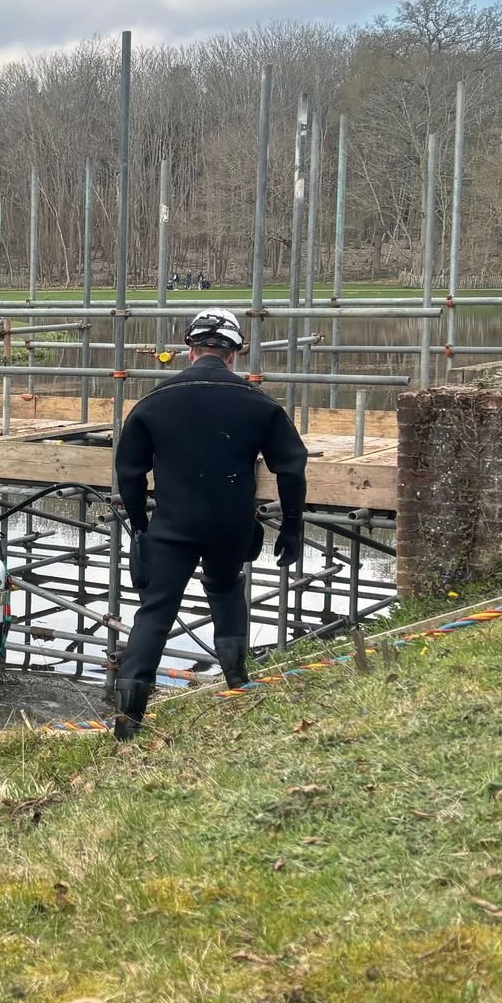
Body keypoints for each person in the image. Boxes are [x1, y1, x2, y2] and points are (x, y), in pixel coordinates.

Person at [108, 308, 308, 739]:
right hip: (230, 524)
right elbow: (291, 467)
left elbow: (129, 473)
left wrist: (140, 529)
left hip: (173, 525)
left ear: (189, 350)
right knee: (225, 588)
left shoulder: (154, 403)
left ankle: (128, 724)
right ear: (234, 354)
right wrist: (293, 526)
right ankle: (238, 684)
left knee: (155, 612)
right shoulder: (259, 404)